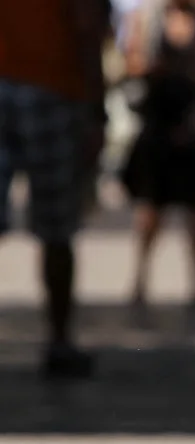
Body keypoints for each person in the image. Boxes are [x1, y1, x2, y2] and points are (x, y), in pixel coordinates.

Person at [0, 0, 110, 378]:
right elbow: (88, 23)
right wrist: (97, 106)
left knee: (57, 228)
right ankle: (59, 342)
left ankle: (61, 340)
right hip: (52, 90)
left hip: (48, 86)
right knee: (57, 227)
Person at [120, 0, 195, 308]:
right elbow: (131, 62)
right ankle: (139, 279)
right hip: (157, 125)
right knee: (150, 210)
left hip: (191, 125)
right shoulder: (148, 17)